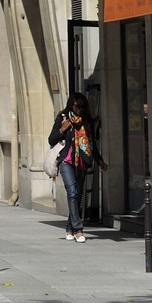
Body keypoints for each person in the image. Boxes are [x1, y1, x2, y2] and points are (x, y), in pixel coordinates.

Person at [49, 91, 106, 243]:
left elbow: (91, 144)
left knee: (77, 195)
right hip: (66, 161)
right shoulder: (63, 118)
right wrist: (62, 129)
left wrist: (99, 160)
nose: (79, 109)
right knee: (73, 191)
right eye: (76, 106)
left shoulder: (87, 121)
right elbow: (51, 139)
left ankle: (69, 227)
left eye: (82, 106)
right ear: (71, 105)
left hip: (82, 161)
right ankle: (78, 229)